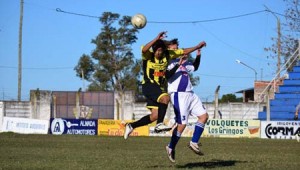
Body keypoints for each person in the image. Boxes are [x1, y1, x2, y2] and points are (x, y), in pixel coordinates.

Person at [124, 32, 206, 139]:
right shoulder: (148, 56)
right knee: (165, 98)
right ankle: (159, 125)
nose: (158, 52)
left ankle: (131, 125)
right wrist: (156, 38)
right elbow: (144, 49)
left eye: (160, 50)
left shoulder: (168, 55)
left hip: (159, 87)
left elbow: (184, 51)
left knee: (155, 115)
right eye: (157, 50)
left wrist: (197, 47)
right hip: (149, 85)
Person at [165, 49, 209, 163]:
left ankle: (194, 142)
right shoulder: (169, 63)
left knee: (204, 116)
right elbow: (167, 75)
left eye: (177, 48)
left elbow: (195, 67)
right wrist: (178, 64)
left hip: (191, 94)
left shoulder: (184, 64)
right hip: (179, 95)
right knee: (182, 125)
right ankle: (170, 147)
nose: (177, 51)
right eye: (174, 49)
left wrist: (198, 55)